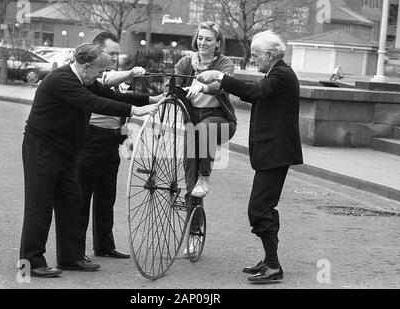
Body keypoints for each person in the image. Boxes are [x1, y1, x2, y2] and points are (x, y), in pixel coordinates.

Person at [20, 43, 162, 278]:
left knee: (72, 203)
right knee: (39, 206)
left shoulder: (85, 80)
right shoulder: (62, 80)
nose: (102, 76)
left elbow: (111, 95)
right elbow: (94, 103)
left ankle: (71, 257)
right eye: (100, 70)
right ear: (86, 67)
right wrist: (133, 111)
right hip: (42, 149)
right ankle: (32, 262)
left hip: (67, 150)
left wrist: (150, 99)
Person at [197, 30, 303, 283]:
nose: (253, 59)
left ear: (271, 54)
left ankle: (274, 266)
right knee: (264, 207)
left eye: (256, 55)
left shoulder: (282, 74)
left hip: (276, 153)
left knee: (259, 209)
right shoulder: (276, 73)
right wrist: (218, 86)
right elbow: (253, 91)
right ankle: (269, 261)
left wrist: (220, 77)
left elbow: (256, 92)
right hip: (273, 152)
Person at [77, 31, 157, 259]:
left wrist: (151, 99)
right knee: (82, 197)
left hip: (112, 139)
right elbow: (108, 82)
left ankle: (104, 245)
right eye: (110, 53)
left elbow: (123, 97)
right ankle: (75, 250)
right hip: (92, 138)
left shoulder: (112, 75)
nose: (113, 58)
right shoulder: (93, 74)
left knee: (106, 196)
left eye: (116, 54)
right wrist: (130, 72)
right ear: (96, 52)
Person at [173, 21, 237, 199]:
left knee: (204, 128)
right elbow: (173, 84)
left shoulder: (224, 63)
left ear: (217, 43)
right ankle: (193, 216)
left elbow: (222, 85)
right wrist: (170, 92)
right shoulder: (186, 62)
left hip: (220, 121)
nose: (203, 42)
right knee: (190, 165)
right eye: (200, 38)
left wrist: (203, 88)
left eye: (208, 39)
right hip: (192, 119)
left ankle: (205, 177)